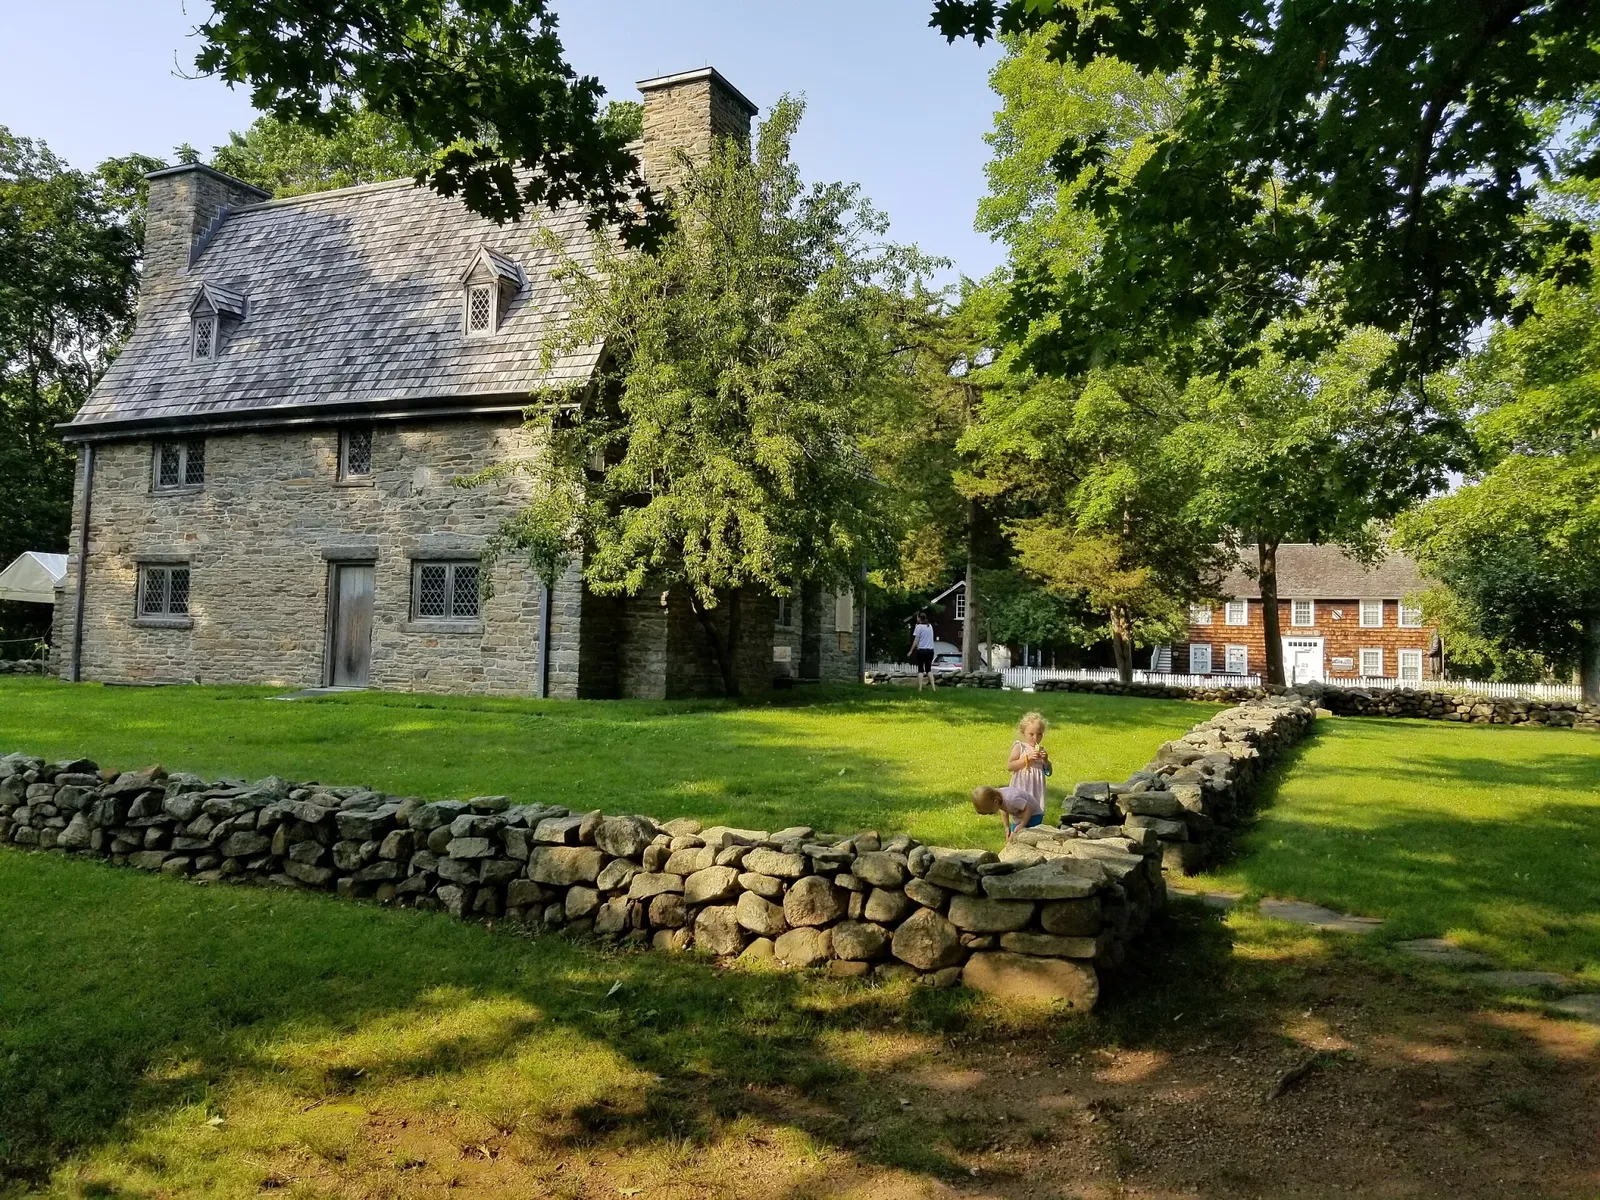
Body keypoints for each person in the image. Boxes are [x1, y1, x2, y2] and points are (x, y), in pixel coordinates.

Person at [971, 711, 1052, 840]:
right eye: (1031, 734)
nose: (1035, 738)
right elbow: (1010, 766)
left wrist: (1046, 761)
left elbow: (1048, 771)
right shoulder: (1020, 747)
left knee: (1032, 810)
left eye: (1039, 734)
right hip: (1022, 784)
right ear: (1023, 733)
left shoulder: (1042, 751)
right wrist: (1027, 759)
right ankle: (1018, 829)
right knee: (1018, 808)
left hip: (1035, 786)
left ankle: (1032, 830)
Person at [907, 611, 937, 691]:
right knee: (928, 669)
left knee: (920, 669)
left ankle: (920, 688)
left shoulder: (918, 627)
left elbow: (916, 640)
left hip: (921, 650)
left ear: (919, 618)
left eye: (917, 617)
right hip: (930, 650)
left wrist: (911, 650)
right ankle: (933, 688)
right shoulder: (929, 626)